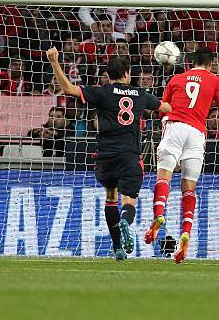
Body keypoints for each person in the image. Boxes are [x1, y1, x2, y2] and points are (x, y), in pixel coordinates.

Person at [46, 47, 171, 261]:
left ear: (110, 75)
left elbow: (67, 89)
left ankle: (117, 248)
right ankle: (125, 220)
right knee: (128, 200)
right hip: (129, 154)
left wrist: (54, 62)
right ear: (126, 74)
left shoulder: (102, 92)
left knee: (111, 197)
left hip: (105, 156)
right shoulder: (141, 95)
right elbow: (167, 107)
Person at [144, 47, 219, 264]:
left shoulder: (176, 78)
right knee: (189, 189)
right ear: (211, 64)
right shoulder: (215, 80)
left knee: (164, 176)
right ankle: (186, 232)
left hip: (175, 126)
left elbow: (163, 109)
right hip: (197, 133)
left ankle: (159, 215)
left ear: (191, 61)